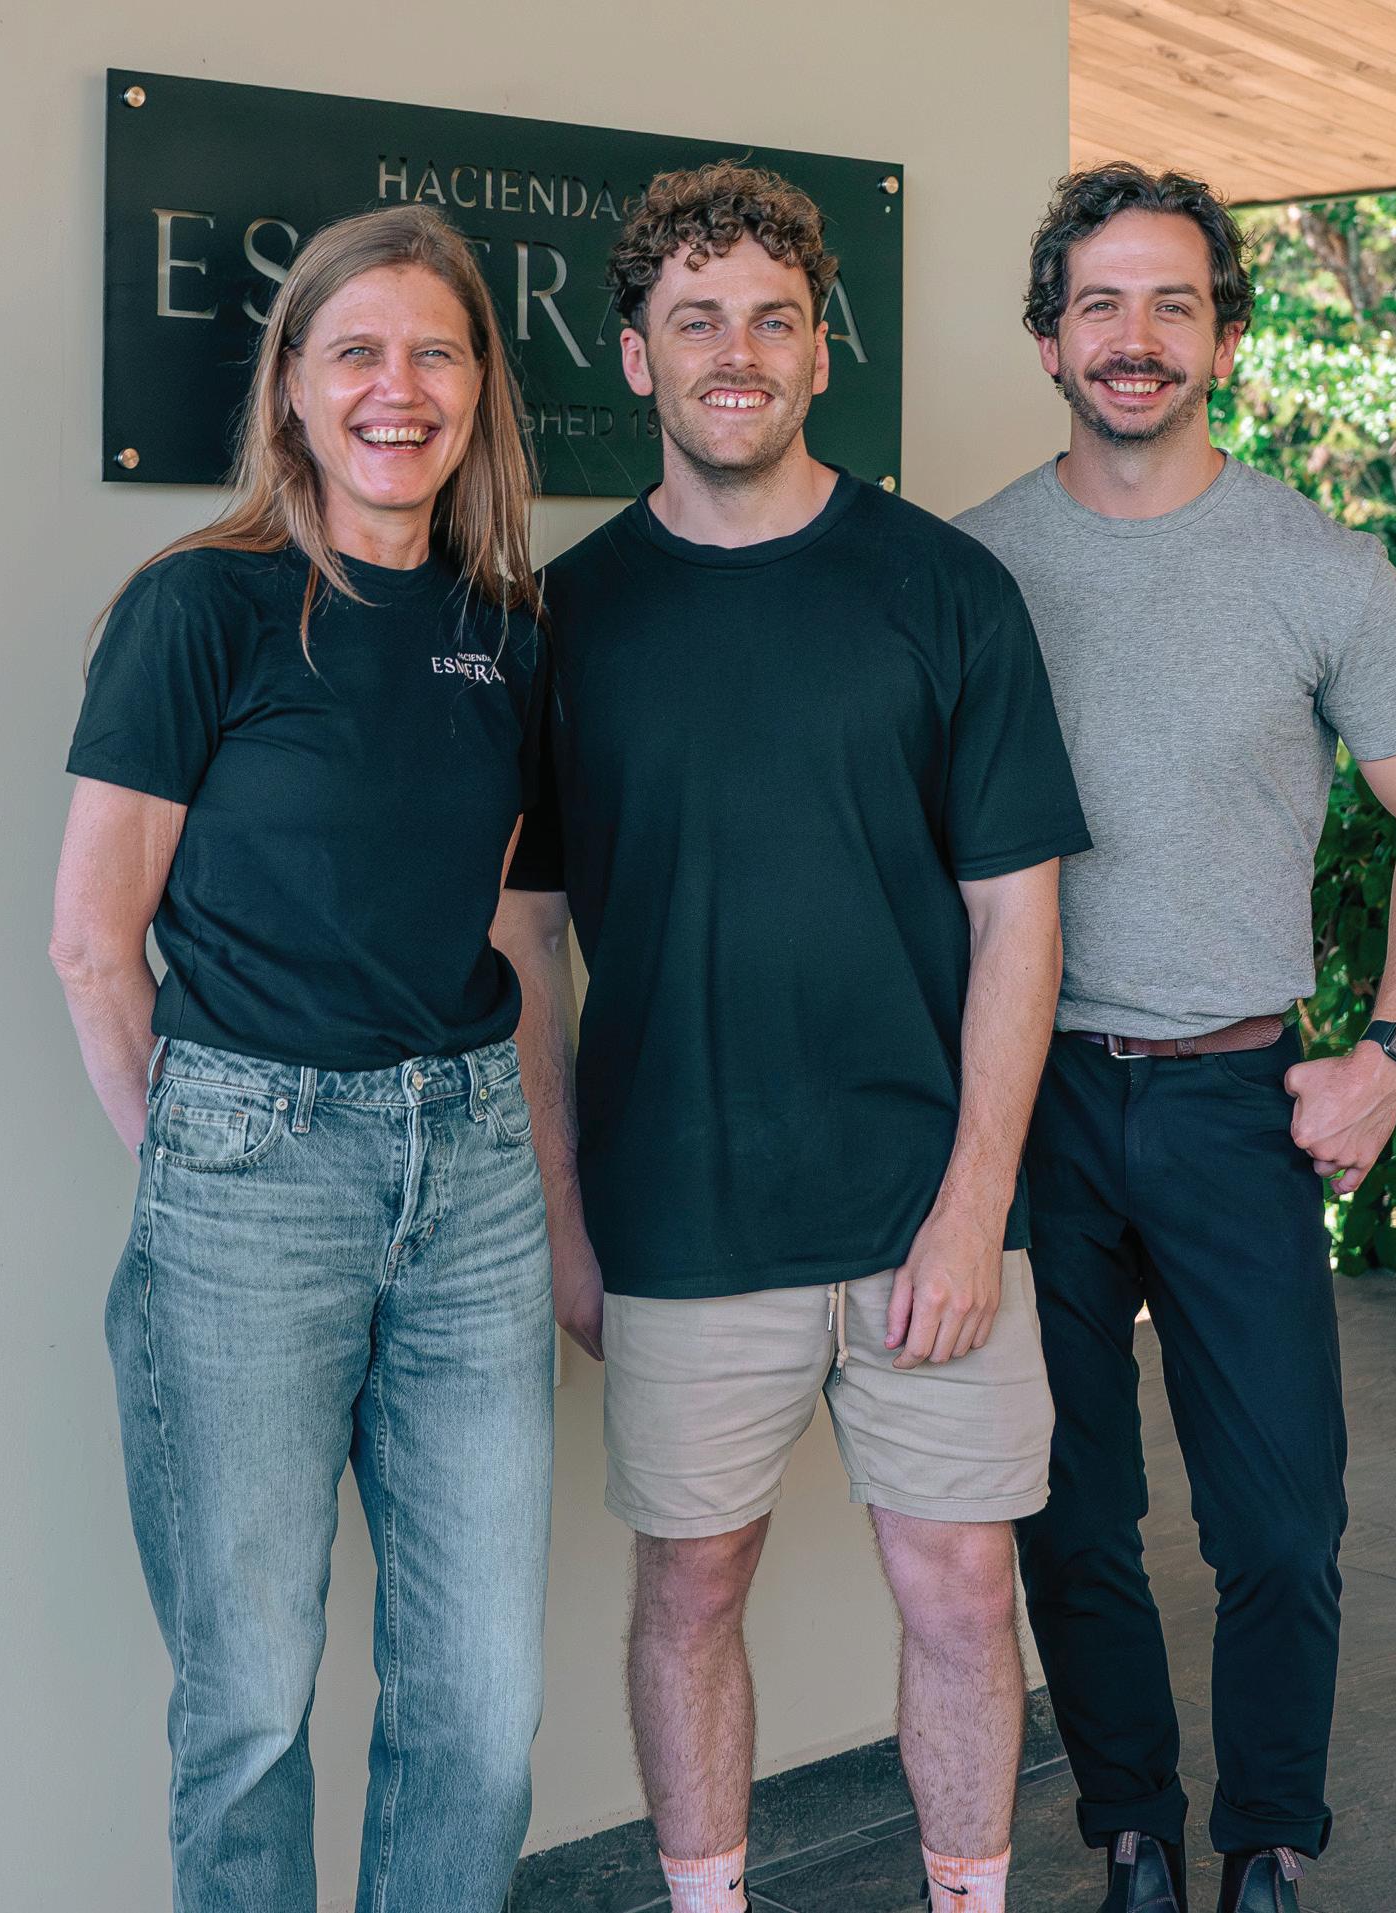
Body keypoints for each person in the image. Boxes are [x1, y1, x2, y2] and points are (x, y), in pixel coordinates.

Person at [492, 162, 1091, 1913]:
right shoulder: (563, 621)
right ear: (636, 355)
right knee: (688, 1592)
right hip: (679, 1212)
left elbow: (1018, 917)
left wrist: (972, 1207)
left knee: (964, 1591)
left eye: (771, 319)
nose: (735, 353)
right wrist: (565, 1216)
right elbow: (524, 935)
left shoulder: (946, 588)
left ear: (823, 350)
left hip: (924, 1209)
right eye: (696, 321)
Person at [956, 164, 1396, 1913]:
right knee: (1065, 1509)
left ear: (1226, 337)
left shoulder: (1315, 567)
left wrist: (1389, 1054)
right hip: (1025, 1098)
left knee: (1276, 1520)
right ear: (1048, 339)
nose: (1135, 337)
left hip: (1234, 1100)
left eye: (1172, 304)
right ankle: (1132, 1830)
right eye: (1099, 304)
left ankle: (1265, 1840)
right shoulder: (966, 571)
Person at [50, 205, 554, 1913]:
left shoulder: (509, 631)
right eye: (355, 351)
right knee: (252, 1708)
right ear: (290, 386)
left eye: (434, 353)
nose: (395, 388)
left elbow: (481, 905)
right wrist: (206, 1159)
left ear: (479, 390)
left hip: (472, 1177)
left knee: (480, 1710)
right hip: (248, 1174)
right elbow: (92, 942)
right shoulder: (199, 607)